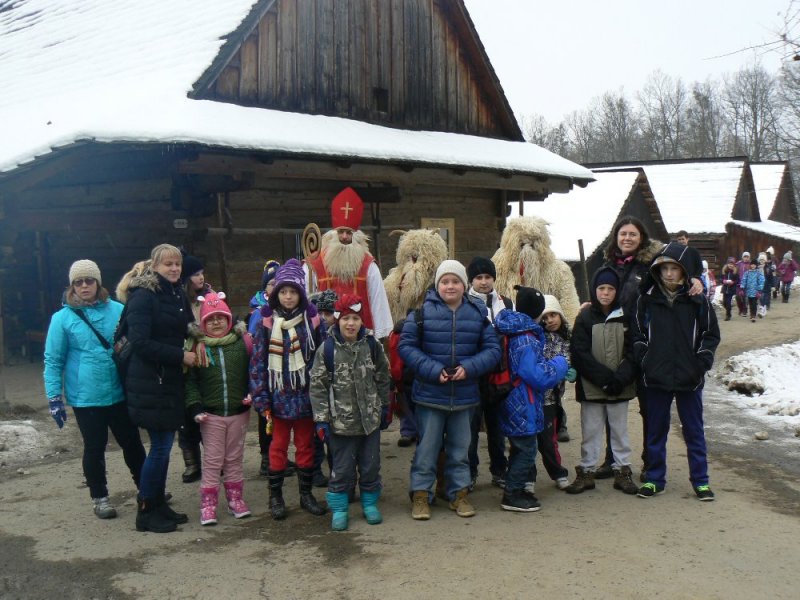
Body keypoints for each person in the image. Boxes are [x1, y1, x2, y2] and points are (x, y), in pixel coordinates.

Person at [43, 259, 146, 520]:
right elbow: (53, 360)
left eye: (89, 280)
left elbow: (136, 342)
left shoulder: (118, 309)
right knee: (94, 447)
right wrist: (54, 396)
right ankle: (99, 497)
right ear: (72, 286)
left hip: (119, 390)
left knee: (132, 442)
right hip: (85, 395)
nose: (84, 286)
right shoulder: (62, 318)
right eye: (78, 282)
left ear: (98, 282)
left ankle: (147, 488)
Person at [399, 260, 500, 520]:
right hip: (431, 395)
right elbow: (407, 346)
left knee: (460, 450)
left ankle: (458, 494)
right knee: (427, 449)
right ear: (438, 284)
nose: (450, 286)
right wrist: (433, 369)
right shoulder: (421, 313)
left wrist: (470, 367)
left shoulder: (477, 313)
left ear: (464, 285)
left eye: (455, 281)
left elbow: (492, 350)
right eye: (445, 281)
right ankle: (421, 495)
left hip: (465, 396)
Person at [632, 242, 720, 501]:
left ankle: (701, 481)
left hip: (689, 376)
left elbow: (710, 334)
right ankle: (654, 478)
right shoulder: (646, 300)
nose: (669, 273)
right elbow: (637, 334)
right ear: (658, 271)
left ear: (684, 272)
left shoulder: (697, 300)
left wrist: (701, 362)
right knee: (656, 430)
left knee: (694, 430)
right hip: (655, 376)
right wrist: (645, 359)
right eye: (665, 268)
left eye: (675, 269)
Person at [124, 244, 196, 533]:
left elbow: (185, 326)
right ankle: (146, 510)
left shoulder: (176, 293)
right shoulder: (143, 296)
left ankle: (158, 503)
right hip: (151, 381)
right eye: (168, 264)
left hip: (168, 380)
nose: (174, 269)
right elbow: (139, 342)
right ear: (154, 266)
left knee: (164, 447)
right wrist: (180, 355)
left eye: (177, 264)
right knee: (161, 446)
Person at [250, 258, 327, 520]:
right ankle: (276, 496)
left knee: (306, 446)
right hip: (278, 396)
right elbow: (259, 361)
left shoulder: (313, 322)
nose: (288, 296)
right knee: (278, 447)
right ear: (275, 294)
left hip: (306, 397)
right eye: (283, 291)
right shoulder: (267, 323)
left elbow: (323, 357)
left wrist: (323, 392)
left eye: (293, 292)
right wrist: (261, 397)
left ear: (301, 294)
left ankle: (306, 495)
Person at [310, 294, 391, 530]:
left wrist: (385, 406)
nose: (350, 324)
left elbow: (383, 377)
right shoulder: (327, 350)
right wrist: (321, 420)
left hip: (370, 422)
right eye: (346, 318)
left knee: (370, 466)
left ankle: (369, 503)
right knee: (342, 469)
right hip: (340, 424)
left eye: (355, 318)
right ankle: (339, 508)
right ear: (337, 319)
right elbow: (318, 387)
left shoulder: (372, 346)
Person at [596, 216, 663, 480]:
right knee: (613, 401)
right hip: (616, 341)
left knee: (649, 407)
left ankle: (651, 461)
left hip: (647, 342)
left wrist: (695, 281)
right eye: (623, 234)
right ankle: (613, 460)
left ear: (641, 238)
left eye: (632, 234)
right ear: (616, 237)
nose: (627, 238)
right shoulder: (608, 265)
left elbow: (675, 281)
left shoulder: (652, 265)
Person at [493, 287, 568, 512]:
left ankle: (517, 488)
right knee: (526, 449)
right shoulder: (526, 337)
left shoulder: (515, 329)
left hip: (513, 398)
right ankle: (512, 494)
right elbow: (533, 374)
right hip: (522, 401)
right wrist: (559, 364)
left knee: (519, 447)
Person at [565, 267, 638, 495]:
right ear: (594, 290)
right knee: (591, 430)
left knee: (619, 430)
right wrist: (603, 379)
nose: (605, 293)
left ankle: (622, 470)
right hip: (592, 387)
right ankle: (586, 471)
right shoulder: (585, 317)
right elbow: (579, 351)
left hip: (620, 386)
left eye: (610, 289)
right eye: (601, 288)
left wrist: (620, 378)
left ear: (616, 291)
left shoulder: (625, 315)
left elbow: (634, 349)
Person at [184, 291, 253, 526]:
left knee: (234, 458)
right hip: (210, 415)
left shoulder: (242, 343)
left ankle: (236, 500)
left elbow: (252, 372)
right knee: (213, 460)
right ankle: (208, 504)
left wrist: (251, 392)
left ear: (228, 319)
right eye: (210, 319)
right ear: (203, 323)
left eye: (220, 318)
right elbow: (191, 382)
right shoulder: (198, 346)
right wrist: (195, 407)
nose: (215, 323)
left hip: (238, 412)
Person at [305, 187, 393, 339]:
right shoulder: (314, 263)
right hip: (324, 337)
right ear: (334, 233)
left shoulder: (368, 265)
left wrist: (379, 336)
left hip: (360, 337)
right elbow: (305, 295)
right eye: (341, 232)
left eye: (349, 232)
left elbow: (378, 301)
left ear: (355, 234)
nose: (344, 236)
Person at [465, 256, 510, 489]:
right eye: (478, 277)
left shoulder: (506, 303)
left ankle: (499, 469)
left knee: (496, 426)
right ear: (471, 280)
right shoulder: (464, 304)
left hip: (498, 375)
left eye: (487, 277)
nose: (483, 282)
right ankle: (470, 471)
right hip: (473, 373)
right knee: (471, 427)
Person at [534, 295, 574, 491]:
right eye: (545, 317)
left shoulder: (567, 339)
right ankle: (527, 478)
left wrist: (571, 371)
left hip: (551, 399)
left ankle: (558, 472)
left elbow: (569, 361)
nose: (550, 320)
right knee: (529, 443)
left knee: (548, 441)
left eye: (553, 315)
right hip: (533, 397)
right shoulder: (537, 338)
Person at [178, 253, 210, 484]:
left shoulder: (209, 296)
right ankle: (191, 463)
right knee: (187, 415)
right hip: (186, 358)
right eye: (196, 274)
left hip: (207, 357)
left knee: (209, 412)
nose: (201, 277)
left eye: (201, 273)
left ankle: (213, 460)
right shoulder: (179, 301)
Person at [719, 257, 739, 321]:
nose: (731, 265)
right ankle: (728, 309)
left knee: (728, 302)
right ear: (727, 264)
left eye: (732, 264)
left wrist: (733, 282)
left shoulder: (735, 272)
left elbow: (737, 280)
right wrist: (723, 281)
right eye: (729, 264)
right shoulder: (724, 271)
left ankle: (728, 315)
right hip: (725, 289)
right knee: (724, 302)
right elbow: (720, 279)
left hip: (731, 289)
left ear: (734, 265)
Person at [758, 252, 776, 317]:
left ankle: (762, 311)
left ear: (765, 260)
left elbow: (771, 278)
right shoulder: (757, 268)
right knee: (761, 298)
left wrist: (773, 286)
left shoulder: (768, 268)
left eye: (763, 260)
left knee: (765, 298)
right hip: (759, 286)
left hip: (767, 286)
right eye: (760, 260)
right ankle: (763, 310)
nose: (761, 261)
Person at [735, 252, 752, 316]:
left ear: (749, 257)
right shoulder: (739, 264)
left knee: (745, 297)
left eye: (747, 257)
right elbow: (734, 271)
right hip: (739, 283)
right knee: (738, 297)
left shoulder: (751, 264)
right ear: (742, 257)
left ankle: (745, 310)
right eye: (745, 256)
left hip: (747, 284)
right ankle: (740, 309)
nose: (746, 258)